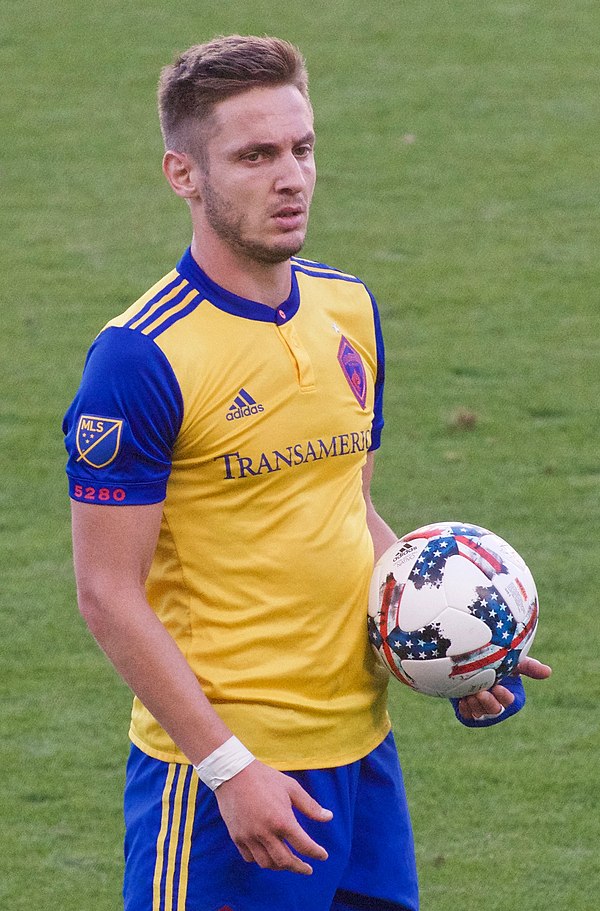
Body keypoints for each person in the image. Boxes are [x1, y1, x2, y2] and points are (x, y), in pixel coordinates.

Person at [63, 35, 551, 911]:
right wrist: (227, 767)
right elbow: (106, 592)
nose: (290, 177)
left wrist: (449, 643)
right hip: (221, 784)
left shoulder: (348, 307)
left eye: (302, 148)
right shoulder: (139, 360)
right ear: (184, 174)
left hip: (362, 759)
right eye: (254, 156)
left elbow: (345, 504)